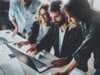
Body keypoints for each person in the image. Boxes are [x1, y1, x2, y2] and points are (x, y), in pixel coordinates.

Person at [27, 1, 83, 67]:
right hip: (58, 62)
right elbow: (47, 38)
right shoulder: (54, 25)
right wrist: (37, 47)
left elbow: (81, 53)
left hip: (73, 66)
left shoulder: (77, 29)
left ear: (64, 14)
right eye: (52, 17)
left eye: (56, 16)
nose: (53, 20)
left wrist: (66, 60)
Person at [55, 0, 100, 75]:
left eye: (71, 16)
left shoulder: (96, 22)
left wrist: (65, 72)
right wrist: (68, 59)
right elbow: (85, 49)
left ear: (79, 13)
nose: (69, 20)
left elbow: (83, 51)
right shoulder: (84, 21)